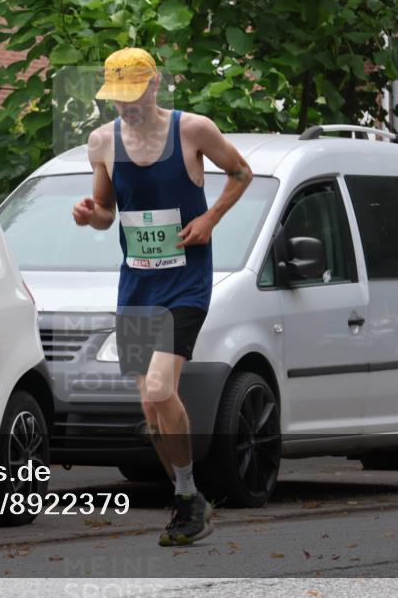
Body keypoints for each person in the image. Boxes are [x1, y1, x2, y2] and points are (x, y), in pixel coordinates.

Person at [72, 47, 253, 546]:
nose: (126, 106)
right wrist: (90, 216)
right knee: (152, 408)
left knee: (158, 386)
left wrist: (210, 218)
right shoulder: (102, 142)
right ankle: (187, 500)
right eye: (118, 98)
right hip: (137, 287)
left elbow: (241, 173)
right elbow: (107, 213)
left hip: (186, 283)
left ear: (155, 85)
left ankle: (189, 495)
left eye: (134, 94)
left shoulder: (193, 130)